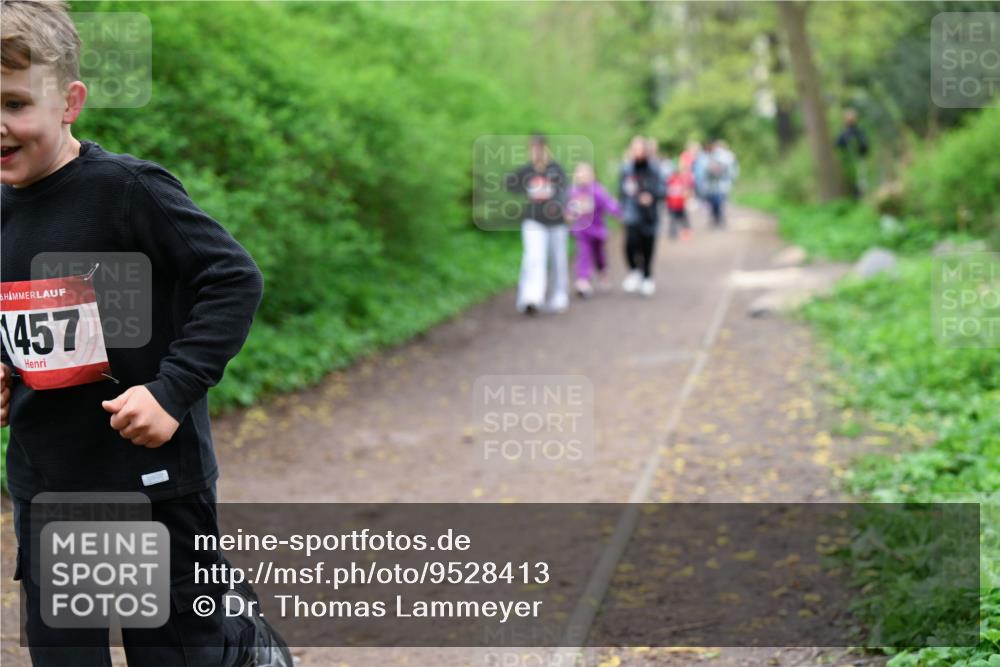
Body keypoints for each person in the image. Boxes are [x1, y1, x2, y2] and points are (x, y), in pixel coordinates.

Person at [0, 2, 290, 665]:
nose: (0, 125)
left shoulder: (126, 190)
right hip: (52, 485)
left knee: (178, 652)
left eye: (16, 103)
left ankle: (242, 644)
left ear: (70, 101)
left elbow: (232, 278)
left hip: (151, 483)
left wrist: (170, 389)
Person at [506, 134, 569, 314]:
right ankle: (531, 298)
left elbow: (565, 191)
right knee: (534, 258)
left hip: (556, 222)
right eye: (532, 149)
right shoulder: (527, 170)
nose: (536, 152)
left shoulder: (555, 169)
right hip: (534, 221)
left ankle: (559, 295)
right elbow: (510, 185)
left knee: (558, 260)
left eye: (539, 148)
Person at [565, 162, 621, 298]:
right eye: (580, 173)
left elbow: (609, 204)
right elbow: (568, 209)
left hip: (597, 231)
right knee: (583, 254)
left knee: (599, 255)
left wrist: (619, 213)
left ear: (593, 176)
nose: (582, 176)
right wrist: (567, 215)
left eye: (586, 173)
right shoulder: (572, 192)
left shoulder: (597, 190)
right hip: (581, 231)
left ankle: (602, 271)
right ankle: (583, 281)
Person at [619, 136, 665, 297]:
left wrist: (651, 196)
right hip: (632, 213)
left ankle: (647, 276)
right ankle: (634, 272)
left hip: (649, 215)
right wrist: (621, 210)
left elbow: (662, 190)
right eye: (635, 149)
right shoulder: (626, 169)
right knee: (630, 244)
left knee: (647, 247)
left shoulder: (655, 169)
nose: (638, 153)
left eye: (641, 150)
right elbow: (622, 191)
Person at [702, 140, 739, 229]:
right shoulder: (711, 155)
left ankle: (719, 218)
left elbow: (731, 170)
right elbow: (706, 169)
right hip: (713, 184)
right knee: (715, 202)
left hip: (721, 184)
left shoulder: (727, 156)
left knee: (719, 201)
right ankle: (717, 218)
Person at [835, 107, 869, 199]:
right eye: (848, 118)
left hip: (859, 161)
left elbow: (865, 147)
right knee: (850, 185)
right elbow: (838, 146)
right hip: (848, 164)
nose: (850, 120)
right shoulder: (843, 134)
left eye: (852, 118)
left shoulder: (860, 132)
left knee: (861, 185)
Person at [665, 169, 692, 241]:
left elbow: (686, 192)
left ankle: (680, 234)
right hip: (675, 205)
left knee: (679, 220)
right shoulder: (671, 181)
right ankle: (676, 234)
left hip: (677, 205)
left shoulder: (673, 181)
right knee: (678, 220)